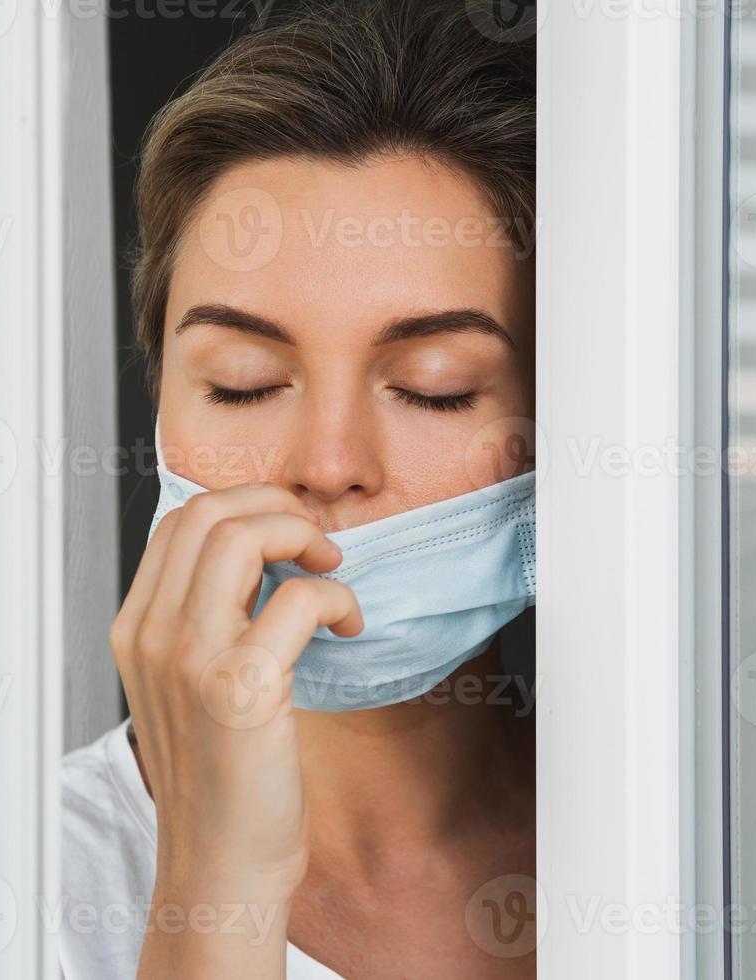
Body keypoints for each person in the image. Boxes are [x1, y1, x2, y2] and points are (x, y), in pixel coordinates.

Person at [58, 2, 537, 975]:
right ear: (161, 397)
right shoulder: (4, 888)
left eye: (433, 388)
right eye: (242, 380)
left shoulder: (707, 828)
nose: (326, 464)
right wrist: (210, 884)